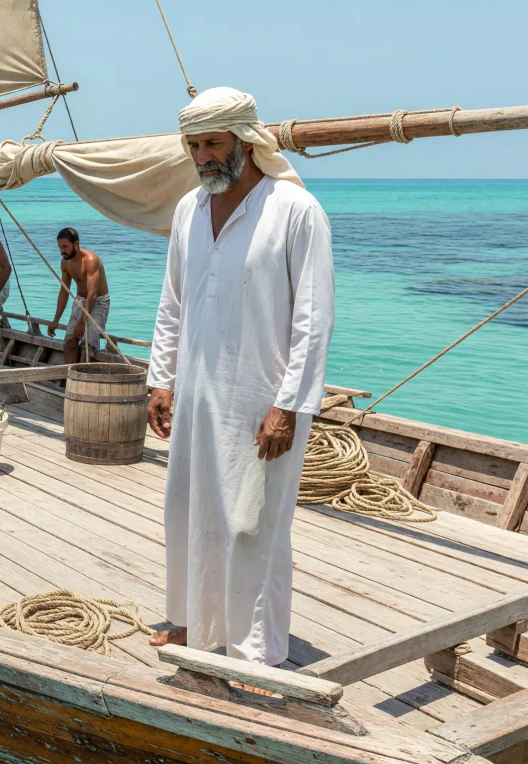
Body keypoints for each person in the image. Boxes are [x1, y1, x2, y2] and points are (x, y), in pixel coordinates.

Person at [145, 87, 334, 687]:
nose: (202, 156)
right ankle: (191, 625)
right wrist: (161, 380)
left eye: (213, 143)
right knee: (189, 509)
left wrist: (289, 406)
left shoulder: (295, 210)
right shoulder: (188, 210)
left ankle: (257, 655)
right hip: (197, 394)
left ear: (246, 141)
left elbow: (314, 318)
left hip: (263, 401)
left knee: (253, 525)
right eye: (194, 145)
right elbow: (173, 301)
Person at [47, 227, 111, 364]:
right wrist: (56, 320)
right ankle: (68, 374)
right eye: (59, 247)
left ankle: (85, 373)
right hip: (80, 300)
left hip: (98, 302)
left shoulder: (90, 260)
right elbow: (64, 291)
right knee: (69, 342)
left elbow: (92, 294)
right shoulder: (65, 262)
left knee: (88, 346)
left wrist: (82, 323)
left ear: (76, 244)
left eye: (65, 247)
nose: (62, 251)